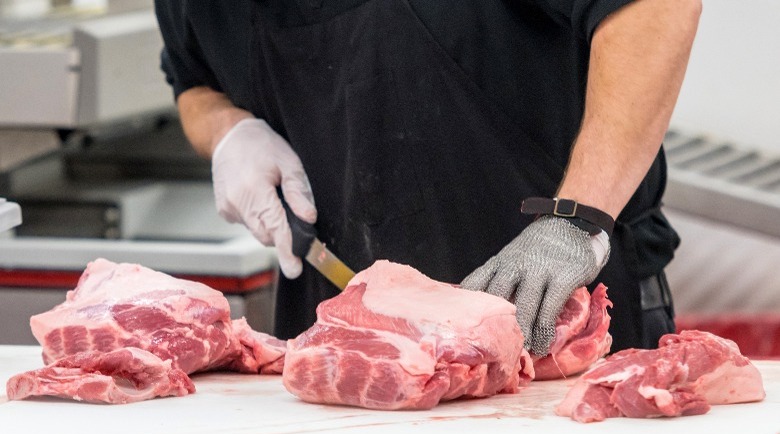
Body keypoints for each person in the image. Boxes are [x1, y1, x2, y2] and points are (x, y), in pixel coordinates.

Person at [154, 0, 701, 355]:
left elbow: (655, 9)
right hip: (347, 345)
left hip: (558, 324)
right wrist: (228, 132)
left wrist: (575, 220)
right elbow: (193, 80)